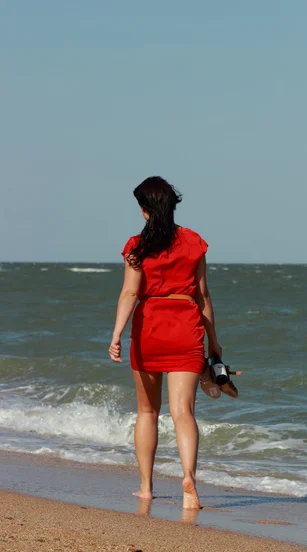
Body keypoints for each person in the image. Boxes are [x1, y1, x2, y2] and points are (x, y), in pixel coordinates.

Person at [109, 176, 222, 509]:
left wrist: (116, 334)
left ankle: (145, 487)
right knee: (183, 412)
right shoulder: (193, 241)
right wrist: (214, 341)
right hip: (186, 326)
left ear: (145, 210)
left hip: (150, 328)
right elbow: (202, 295)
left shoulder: (136, 246)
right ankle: (188, 477)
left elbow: (130, 292)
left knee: (147, 410)